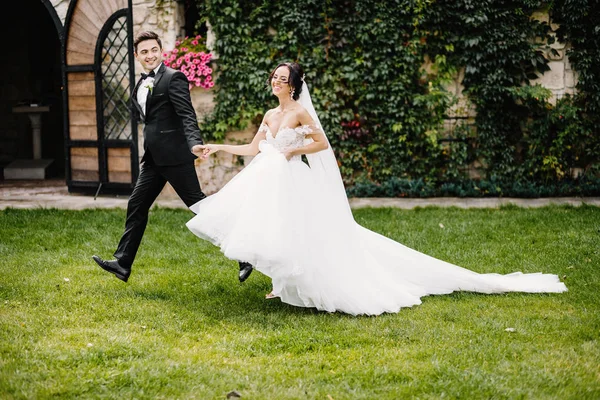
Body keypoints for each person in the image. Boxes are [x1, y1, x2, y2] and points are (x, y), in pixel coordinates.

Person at [186, 62, 567, 316]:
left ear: (294, 85)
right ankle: (283, 285)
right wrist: (218, 146)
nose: (276, 82)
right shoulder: (269, 114)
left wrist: (293, 149)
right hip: (264, 176)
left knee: (298, 231)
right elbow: (254, 149)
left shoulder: (300, 113)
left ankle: (297, 284)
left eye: (283, 78)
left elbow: (322, 144)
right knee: (273, 231)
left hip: (288, 177)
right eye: (274, 77)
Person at [92, 31, 254, 283]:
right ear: (137, 56)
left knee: (200, 207)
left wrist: (194, 144)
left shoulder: (173, 78)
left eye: (153, 50)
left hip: (176, 157)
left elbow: (187, 115)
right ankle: (123, 263)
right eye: (144, 52)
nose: (149, 55)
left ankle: (244, 254)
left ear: (161, 51)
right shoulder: (140, 83)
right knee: (136, 205)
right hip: (154, 159)